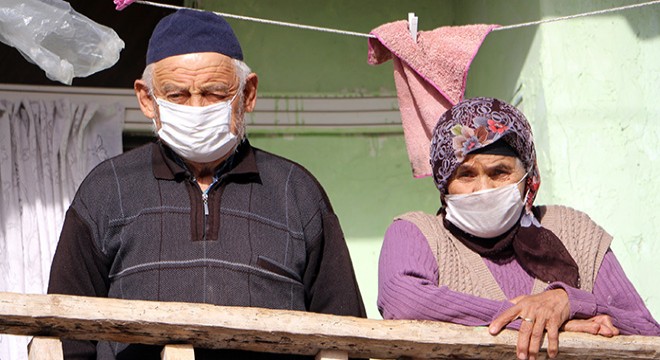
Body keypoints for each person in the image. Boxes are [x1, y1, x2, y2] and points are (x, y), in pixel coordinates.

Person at [47, 8, 366, 359]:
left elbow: (344, 327)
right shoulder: (107, 189)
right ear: (146, 99)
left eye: (214, 93)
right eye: (177, 95)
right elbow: (67, 328)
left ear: (247, 94)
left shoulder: (296, 191)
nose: (196, 107)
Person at [378, 97, 660, 360]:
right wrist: (530, 319)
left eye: (499, 172)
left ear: (528, 177)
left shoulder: (573, 231)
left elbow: (647, 330)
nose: (483, 189)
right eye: (466, 174)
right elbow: (404, 303)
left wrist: (568, 302)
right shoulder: (417, 233)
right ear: (444, 184)